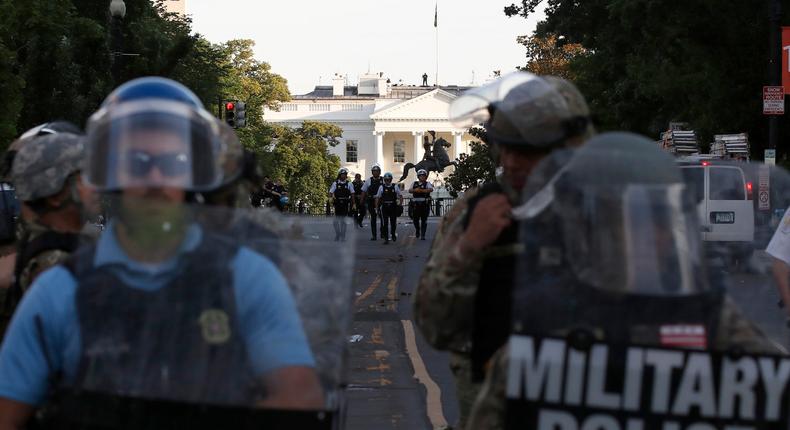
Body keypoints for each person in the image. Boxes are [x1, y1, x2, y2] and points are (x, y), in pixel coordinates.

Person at [0, 77, 323, 428]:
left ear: (196, 171)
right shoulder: (60, 290)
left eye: (173, 161)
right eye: (137, 161)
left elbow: (297, 397)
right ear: (109, 170)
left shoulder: (246, 276)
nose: (154, 177)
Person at [467, 132, 778, 429]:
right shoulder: (543, 334)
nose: (637, 235)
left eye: (654, 219)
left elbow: (773, 383)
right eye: (618, 220)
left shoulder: (708, 318)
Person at [413, 72, 595, 429]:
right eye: (505, 147)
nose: (511, 162)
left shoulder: (610, 211)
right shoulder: (477, 211)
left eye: (527, 151)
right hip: (489, 407)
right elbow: (434, 326)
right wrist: (469, 246)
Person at [1, 132, 98, 339]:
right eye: (86, 178)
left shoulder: (31, 242)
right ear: (55, 194)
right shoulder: (55, 265)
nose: (96, 187)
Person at [374, 172, 403, 245]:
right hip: (384, 207)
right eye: (386, 180)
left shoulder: (395, 186)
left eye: (388, 179)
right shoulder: (381, 187)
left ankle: (393, 234)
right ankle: (386, 238)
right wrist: (376, 208)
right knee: (385, 224)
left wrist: (400, 204)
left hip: (393, 206)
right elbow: (377, 197)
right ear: (384, 180)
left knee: (393, 222)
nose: (387, 181)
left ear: (391, 180)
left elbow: (400, 196)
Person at [328, 167, 354, 241]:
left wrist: (354, 203)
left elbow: (352, 194)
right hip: (337, 203)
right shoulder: (335, 183)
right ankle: (338, 234)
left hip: (345, 203)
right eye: (342, 174)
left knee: (343, 221)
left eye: (345, 174)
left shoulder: (349, 184)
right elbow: (330, 192)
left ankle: (343, 236)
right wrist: (330, 199)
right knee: (335, 221)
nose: (343, 176)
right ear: (339, 175)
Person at [360, 165, 384, 241]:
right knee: (373, 218)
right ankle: (374, 235)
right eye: (374, 171)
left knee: (383, 217)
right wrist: (361, 201)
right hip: (371, 201)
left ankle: (382, 232)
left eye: (377, 171)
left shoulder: (383, 180)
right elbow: (363, 191)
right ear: (372, 172)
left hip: (381, 201)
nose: (375, 173)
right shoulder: (368, 181)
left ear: (379, 172)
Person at [410, 169, 433, 240]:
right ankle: (417, 229)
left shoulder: (427, 183)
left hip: (424, 204)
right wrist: (415, 190)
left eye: (423, 176)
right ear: (418, 176)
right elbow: (410, 190)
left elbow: (430, 189)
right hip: (416, 204)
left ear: (425, 177)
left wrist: (421, 190)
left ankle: (423, 234)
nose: (422, 177)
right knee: (415, 219)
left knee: (424, 220)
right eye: (420, 176)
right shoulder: (414, 183)